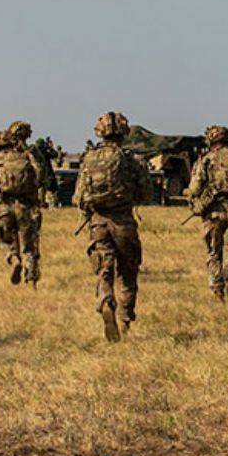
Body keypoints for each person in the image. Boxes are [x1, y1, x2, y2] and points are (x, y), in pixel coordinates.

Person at [73, 112, 152, 342]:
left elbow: (78, 197)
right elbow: (146, 194)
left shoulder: (90, 159)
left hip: (98, 222)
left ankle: (106, 300)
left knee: (104, 269)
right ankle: (125, 321)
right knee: (128, 273)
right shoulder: (132, 160)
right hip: (124, 222)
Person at [0, 122, 47, 287]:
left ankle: (13, 259)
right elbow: (42, 179)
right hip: (26, 208)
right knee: (30, 248)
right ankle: (31, 283)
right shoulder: (28, 157)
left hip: (3, 208)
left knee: (6, 240)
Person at [184, 125, 228, 301]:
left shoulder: (206, 160)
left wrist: (194, 201)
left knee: (213, 252)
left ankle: (217, 291)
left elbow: (194, 187)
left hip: (212, 212)